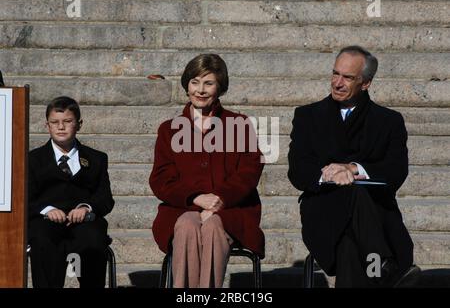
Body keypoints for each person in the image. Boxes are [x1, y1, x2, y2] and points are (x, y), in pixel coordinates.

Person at [288, 45, 420, 287]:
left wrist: (353, 169)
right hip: (323, 210)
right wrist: (329, 174)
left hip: (376, 216)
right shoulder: (307, 116)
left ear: (366, 83)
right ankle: (383, 266)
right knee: (350, 203)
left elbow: (396, 171)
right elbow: (298, 171)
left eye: (347, 77)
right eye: (335, 73)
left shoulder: (388, 121)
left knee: (348, 244)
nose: (337, 82)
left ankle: (381, 265)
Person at [150, 54, 265, 288]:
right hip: (183, 208)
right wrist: (196, 198)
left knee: (213, 226)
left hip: (230, 209)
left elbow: (249, 171)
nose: (200, 90)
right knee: (187, 226)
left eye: (208, 83)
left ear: (219, 87)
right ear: (187, 85)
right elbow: (161, 179)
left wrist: (218, 201)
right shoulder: (169, 130)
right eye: (195, 82)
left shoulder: (239, 124)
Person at [28, 96, 115, 288]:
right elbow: (25, 199)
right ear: (47, 125)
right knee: (42, 241)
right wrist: (46, 209)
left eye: (67, 122)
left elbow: (105, 199)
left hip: (84, 223)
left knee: (92, 241)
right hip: (46, 223)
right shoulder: (33, 160)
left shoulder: (96, 159)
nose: (61, 127)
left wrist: (86, 207)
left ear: (79, 124)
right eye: (55, 122)